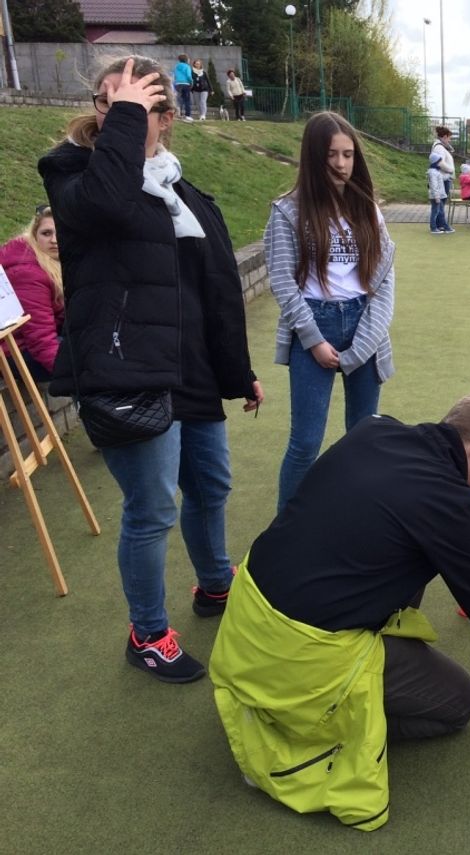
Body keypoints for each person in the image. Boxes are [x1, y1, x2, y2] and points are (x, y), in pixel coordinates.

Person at [209, 390, 470, 831]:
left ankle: (304, 695)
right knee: (459, 702)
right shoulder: (450, 502)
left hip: (248, 614)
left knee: (410, 560)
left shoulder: (374, 428)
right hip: (303, 650)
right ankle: (307, 733)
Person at [38, 55, 263, 682]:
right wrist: (126, 122)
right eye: (112, 102)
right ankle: (147, 633)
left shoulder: (183, 191)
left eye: (142, 105)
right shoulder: (72, 173)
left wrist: (237, 372)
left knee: (211, 488)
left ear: (168, 117)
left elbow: (215, 289)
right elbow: (108, 203)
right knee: (152, 510)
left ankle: (215, 584)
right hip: (128, 371)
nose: (125, 114)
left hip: (190, 372)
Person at [268, 111, 395, 512]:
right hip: (314, 324)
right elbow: (283, 282)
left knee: (362, 436)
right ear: (313, 157)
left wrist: (361, 347)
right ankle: (288, 528)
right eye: (331, 155)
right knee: (305, 442)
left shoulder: (368, 209)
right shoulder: (288, 211)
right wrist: (313, 340)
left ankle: (354, 515)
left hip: (364, 324)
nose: (341, 164)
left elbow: (384, 282)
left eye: (348, 155)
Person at [0, 205, 63, 382]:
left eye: (60, 233)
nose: (54, 240)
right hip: (12, 352)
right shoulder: (28, 272)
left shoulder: (53, 261)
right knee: (85, 359)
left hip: (27, 344)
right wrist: (69, 374)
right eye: (46, 233)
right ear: (34, 235)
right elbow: (40, 339)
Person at [427, 151, 452, 234]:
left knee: (439, 211)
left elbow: (441, 179)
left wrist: (449, 175)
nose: (441, 163)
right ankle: (434, 228)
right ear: (436, 162)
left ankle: (443, 226)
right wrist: (437, 196)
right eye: (440, 161)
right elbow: (434, 185)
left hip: (439, 195)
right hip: (436, 196)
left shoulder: (436, 171)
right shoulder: (433, 172)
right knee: (436, 212)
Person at [430, 125, 455, 196]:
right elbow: (440, 163)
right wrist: (451, 170)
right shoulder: (439, 148)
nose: (449, 140)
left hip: (443, 178)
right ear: (445, 137)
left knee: (441, 201)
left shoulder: (441, 147)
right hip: (442, 179)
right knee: (440, 201)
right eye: (449, 138)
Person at [172, 53, 192, 120]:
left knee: (179, 99)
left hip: (178, 84)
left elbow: (174, 75)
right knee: (187, 100)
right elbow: (189, 76)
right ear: (186, 59)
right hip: (186, 84)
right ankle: (187, 115)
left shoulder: (176, 66)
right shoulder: (187, 66)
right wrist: (191, 82)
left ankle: (179, 113)